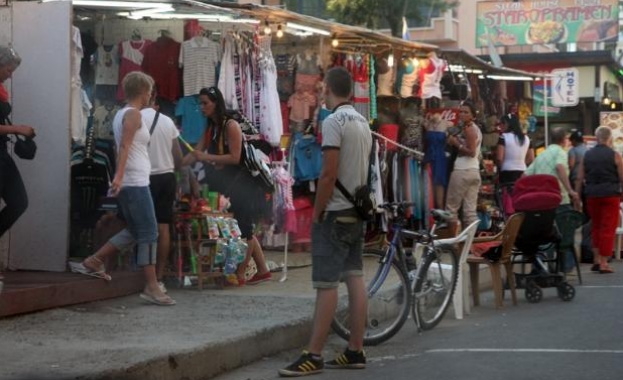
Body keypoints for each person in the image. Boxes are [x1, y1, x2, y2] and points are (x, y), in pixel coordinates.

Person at [279, 67, 372, 377]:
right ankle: (355, 349)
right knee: (355, 276)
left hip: (335, 213)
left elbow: (328, 173)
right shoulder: (362, 122)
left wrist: (318, 212)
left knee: (327, 285)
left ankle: (313, 354)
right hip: (356, 212)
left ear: (329, 88)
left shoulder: (333, 121)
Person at [70, 71, 175, 306]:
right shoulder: (134, 115)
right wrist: (118, 176)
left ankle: (95, 260)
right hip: (135, 181)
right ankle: (152, 285)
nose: (150, 95)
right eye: (149, 91)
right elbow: (125, 147)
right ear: (143, 91)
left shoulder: (121, 114)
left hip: (132, 180)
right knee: (149, 232)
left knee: (138, 230)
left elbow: (122, 148)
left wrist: (119, 177)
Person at [183, 86, 271, 286]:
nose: (202, 107)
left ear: (216, 104)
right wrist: (177, 165)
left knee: (242, 228)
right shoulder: (210, 127)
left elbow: (234, 157)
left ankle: (239, 274)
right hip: (225, 183)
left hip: (241, 183)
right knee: (239, 226)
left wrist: (205, 157)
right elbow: (196, 151)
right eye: (200, 103)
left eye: (205, 103)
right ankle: (263, 270)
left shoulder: (230, 125)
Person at [0, 46, 36, 293]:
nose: (10, 75)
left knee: (19, 202)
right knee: (18, 201)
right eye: (8, 69)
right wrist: (18, 129)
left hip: (2, 153)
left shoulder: (1, 90)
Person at [524, 127, 580, 273]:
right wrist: (570, 190)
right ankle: (565, 268)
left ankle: (546, 266)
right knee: (565, 235)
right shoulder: (560, 152)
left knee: (546, 235)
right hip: (560, 201)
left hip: (542, 205)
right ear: (564, 140)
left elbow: (525, 175)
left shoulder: (541, 155)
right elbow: (560, 167)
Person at [144, 90, 183, 292]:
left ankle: (132, 271)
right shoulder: (168, 122)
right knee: (163, 227)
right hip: (166, 177)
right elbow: (178, 156)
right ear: (156, 104)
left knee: (137, 225)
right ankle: (158, 277)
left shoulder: (133, 118)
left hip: (143, 177)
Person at [574, 126, 623, 274]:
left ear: (596, 138)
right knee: (608, 228)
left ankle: (596, 259)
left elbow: (579, 177)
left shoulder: (587, 155)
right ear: (609, 138)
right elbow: (622, 177)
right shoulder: (615, 155)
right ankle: (603, 262)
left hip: (592, 195)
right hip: (610, 195)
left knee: (596, 226)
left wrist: (577, 195)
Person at [445, 100, 482, 234]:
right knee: (469, 211)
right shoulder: (474, 129)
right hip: (474, 171)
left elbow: (471, 152)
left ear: (472, 115)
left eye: (466, 112)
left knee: (451, 209)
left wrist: (456, 143)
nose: (462, 114)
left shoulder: (469, 129)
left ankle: (453, 244)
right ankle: (470, 243)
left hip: (462, 171)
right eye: (460, 111)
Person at [496, 113, 534, 185]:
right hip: (523, 171)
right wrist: (520, 163)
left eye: (503, 123)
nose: (501, 126)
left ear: (508, 124)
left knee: (508, 194)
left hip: (507, 172)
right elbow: (531, 159)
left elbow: (499, 158)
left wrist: (500, 169)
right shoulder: (527, 138)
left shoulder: (503, 137)